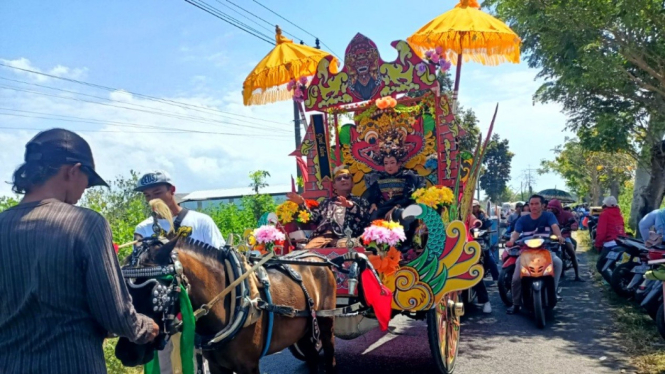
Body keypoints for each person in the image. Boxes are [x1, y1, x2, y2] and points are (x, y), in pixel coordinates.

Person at [0, 128, 159, 374]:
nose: (85, 190)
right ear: (72, 171)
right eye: (87, 181)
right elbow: (115, 314)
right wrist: (146, 327)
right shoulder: (87, 224)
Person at [133, 171, 225, 374]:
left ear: (172, 190)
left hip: (201, 308)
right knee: (166, 363)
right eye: (147, 196)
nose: (152, 199)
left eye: (157, 192)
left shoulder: (201, 222)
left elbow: (218, 266)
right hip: (164, 311)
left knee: (207, 362)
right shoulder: (145, 229)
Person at [505, 194, 565, 314]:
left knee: (558, 263)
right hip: (526, 252)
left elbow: (554, 226)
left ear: (543, 205)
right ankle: (516, 304)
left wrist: (559, 236)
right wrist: (512, 241)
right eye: (531, 204)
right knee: (516, 278)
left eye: (537, 204)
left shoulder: (549, 216)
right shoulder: (522, 219)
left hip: (545, 250)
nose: (534, 206)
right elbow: (516, 232)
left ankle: (554, 290)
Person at [287, 167, 370, 249]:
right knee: (306, 254)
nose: (343, 180)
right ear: (334, 185)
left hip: (345, 237)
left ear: (352, 183)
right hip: (322, 237)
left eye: (346, 177)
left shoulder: (360, 201)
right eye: (339, 178)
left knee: (347, 248)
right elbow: (314, 219)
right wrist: (302, 204)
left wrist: (351, 207)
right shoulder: (326, 202)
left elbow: (366, 220)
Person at [364, 152, 426, 222]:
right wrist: (373, 204)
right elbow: (373, 195)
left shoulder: (407, 177)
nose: (389, 166)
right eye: (386, 163)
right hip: (383, 207)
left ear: (398, 164)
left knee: (398, 215)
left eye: (392, 163)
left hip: (402, 207)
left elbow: (408, 196)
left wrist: (396, 208)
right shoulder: (379, 178)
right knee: (373, 217)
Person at [547, 199, 584, 281]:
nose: (551, 209)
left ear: (558, 208)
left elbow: (574, 222)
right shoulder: (548, 215)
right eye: (549, 208)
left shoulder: (567, 214)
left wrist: (572, 226)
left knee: (572, 252)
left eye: (553, 208)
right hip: (551, 237)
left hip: (564, 235)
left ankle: (577, 275)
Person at [594, 196, 626, 273]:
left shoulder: (604, 214)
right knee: (612, 265)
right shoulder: (619, 214)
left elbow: (601, 232)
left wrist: (598, 244)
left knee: (600, 266)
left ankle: (613, 283)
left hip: (609, 243)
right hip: (621, 242)